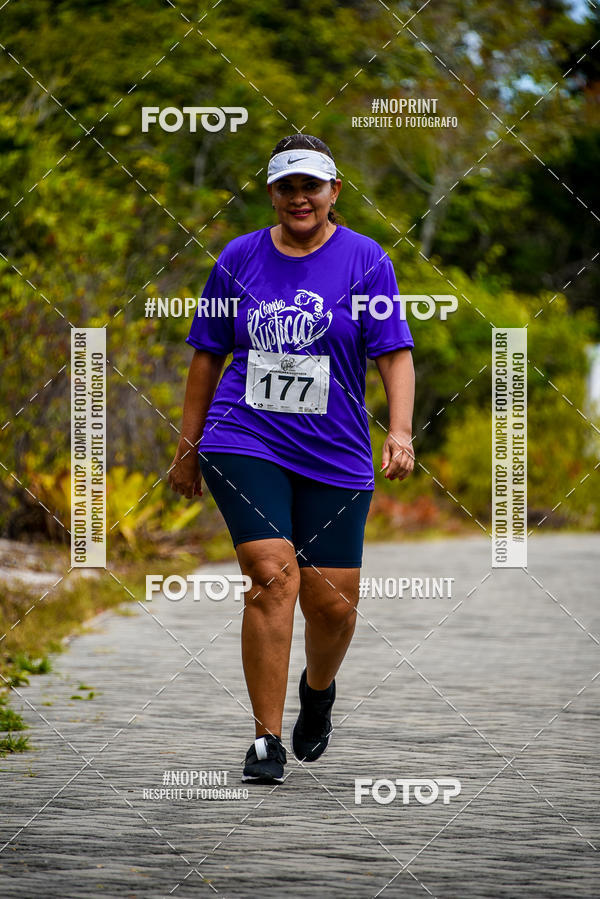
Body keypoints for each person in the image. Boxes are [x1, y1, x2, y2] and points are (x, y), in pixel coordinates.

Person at [168, 134, 415, 785]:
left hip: (334, 449)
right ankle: (264, 738)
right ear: (271, 193)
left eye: (311, 185)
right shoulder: (237, 257)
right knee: (273, 574)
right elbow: (206, 355)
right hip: (244, 436)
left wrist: (401, 430)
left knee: (333, 602)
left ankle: (319, 689)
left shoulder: (367, 260)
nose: (299, 197)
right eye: (286, 186)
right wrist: (188, 447)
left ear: (334, 191)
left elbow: (393, 352)